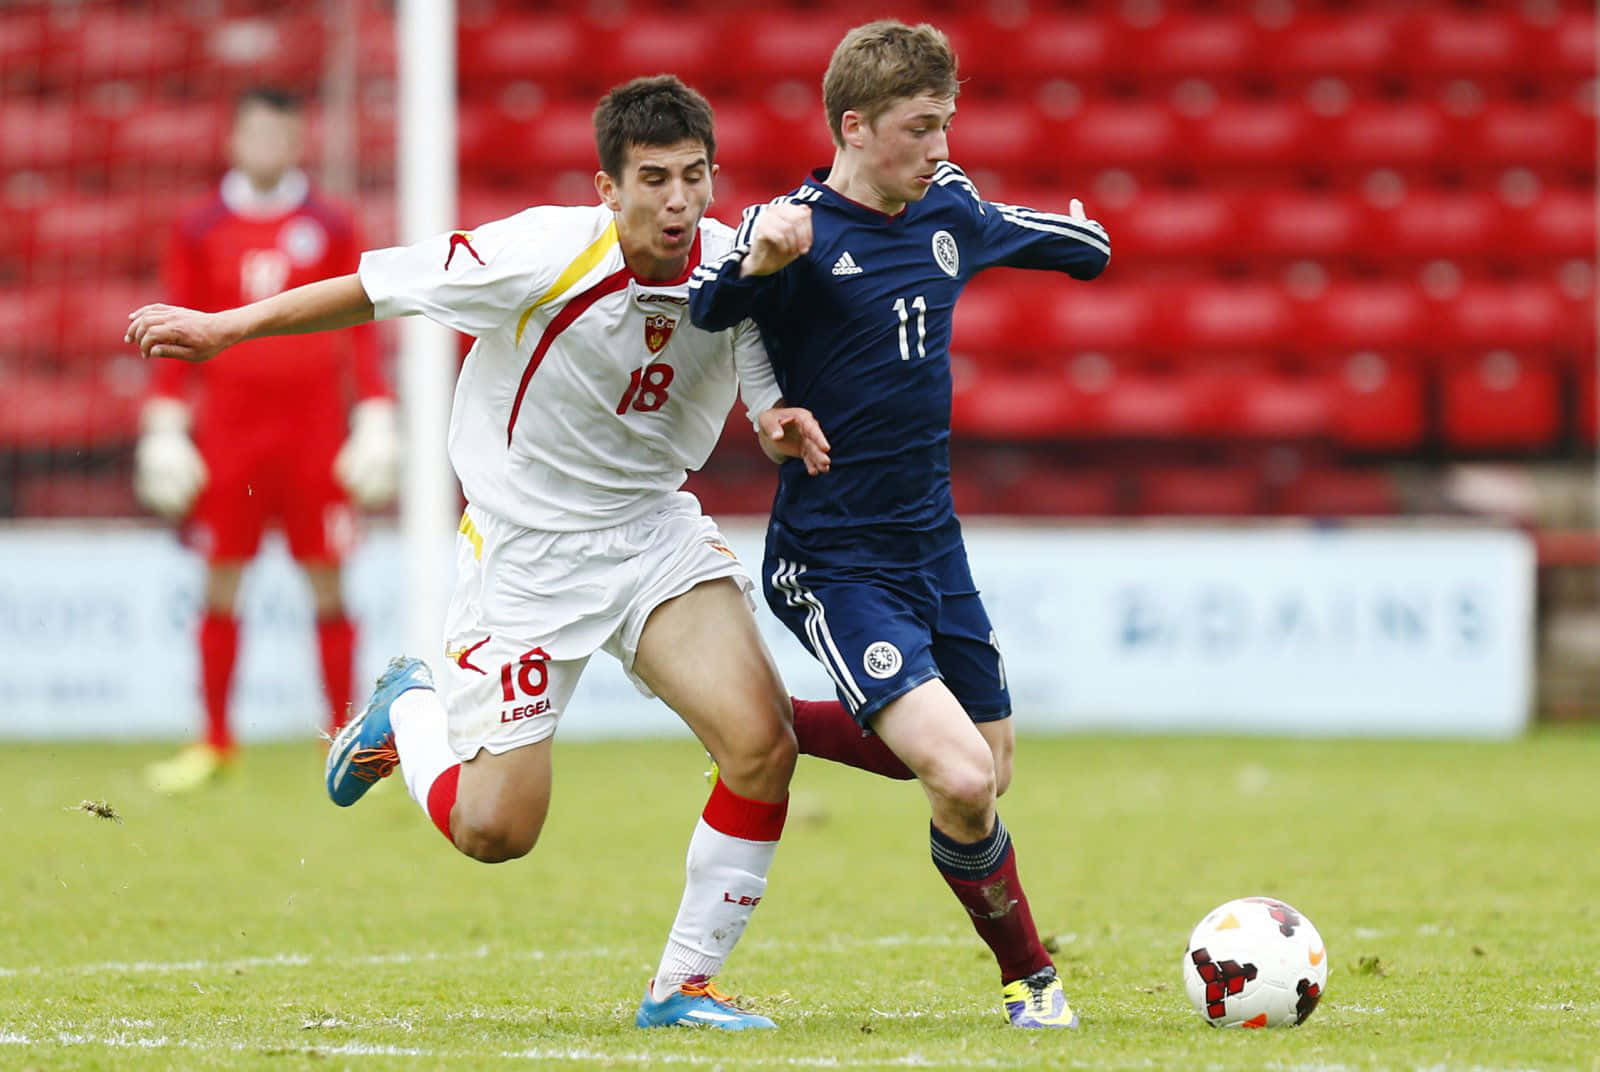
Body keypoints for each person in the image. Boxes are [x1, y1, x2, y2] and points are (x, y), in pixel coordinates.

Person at [128, 75, 835, 1031]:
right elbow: (376, 287)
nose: (678, 201)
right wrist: (227, 328)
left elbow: (755, 352)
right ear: (606, 187)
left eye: (696, 178)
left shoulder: (733, 262)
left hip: (651, 530)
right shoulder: (538, 251)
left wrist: (773, 416)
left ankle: (683, 987)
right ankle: (407, 710)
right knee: (496, 831)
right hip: (529, 555)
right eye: (655, 179)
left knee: (761, 745)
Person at [688, 20, 1111, 1029]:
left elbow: (1071, 247)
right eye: (920, 128)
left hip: (932, 544)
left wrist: (1087, 241)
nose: (938, 146)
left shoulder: (948, 207)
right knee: (960, 771)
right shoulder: (792, 230)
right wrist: (755, 262)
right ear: (855, 126)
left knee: (985, 774)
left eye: (945, 124)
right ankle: (1033, 980)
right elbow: (708, 308)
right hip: (832, 558)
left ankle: (781, 731)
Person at [135, 87, 398, 794]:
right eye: (255, 135)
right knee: (222, 580)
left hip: (313, 434)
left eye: (280, 136)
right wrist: (166, 427)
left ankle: (343, 740)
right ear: (234, 141)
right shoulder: (198, 228)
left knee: (329, 584)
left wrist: (374, 412)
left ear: (297, 142)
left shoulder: (331, 224)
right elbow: (171, 325)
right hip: (229, 434)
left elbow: (360, 325)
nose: (267, 148)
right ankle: (216, 741)